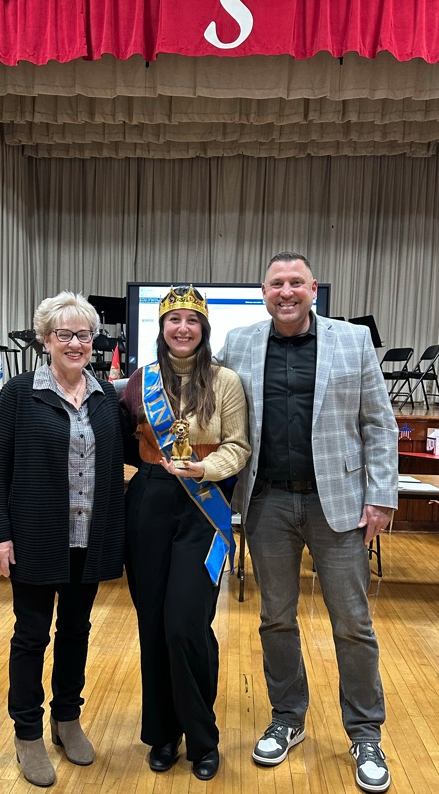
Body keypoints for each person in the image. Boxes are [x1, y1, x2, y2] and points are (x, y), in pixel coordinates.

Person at [216, 253, 398, 794]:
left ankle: (366, 733)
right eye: (277, 283)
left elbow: (379, 424)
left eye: (297, 282)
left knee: (353, 622)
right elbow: (212, 403)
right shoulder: (241, 343)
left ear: (313, 288)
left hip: (337, 503)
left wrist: (381, 497)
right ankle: (288, 718)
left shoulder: (352, 341)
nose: (287, 291)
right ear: (263, 291)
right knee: (275, 619)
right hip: (268, 503)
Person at [0, 291, 125, 788]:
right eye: (64, 334)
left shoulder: (106, 397)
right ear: (46, 340)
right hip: (37, 538)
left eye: (83, 335)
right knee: (32, 635)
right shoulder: (20, 394)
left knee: (76, 631)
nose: (75, 343)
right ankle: (27, 733)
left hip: (88, 539)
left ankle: (66, 719)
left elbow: (115, 470)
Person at [120, 284, 250, 781]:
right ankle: (163, 734)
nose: (182, 328)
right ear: (162, 327)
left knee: (185, 626)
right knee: (152, 625)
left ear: (204, 328)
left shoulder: (226, 382)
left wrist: (206, 469)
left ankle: (202, 736)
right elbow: (128, 448)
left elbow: (239, 447)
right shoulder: (139, 382)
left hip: (203, 509)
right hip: (150, 505)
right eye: (173, 319)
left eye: (191, 320)